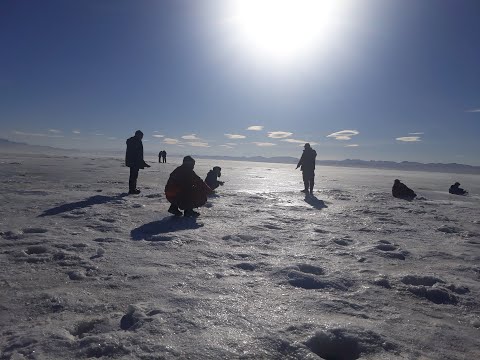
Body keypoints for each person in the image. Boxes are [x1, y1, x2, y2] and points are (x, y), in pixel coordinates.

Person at [125, 130, 150, 195]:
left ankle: (133, 189)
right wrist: (141, 163)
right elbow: (138, 154)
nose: (142, 137)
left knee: (133, 176)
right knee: (134, 176)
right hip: (135, 162)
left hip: (132, 161)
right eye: (141, 136)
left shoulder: (132, 141)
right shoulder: (136, 141)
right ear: (138, 135)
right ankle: (132, 190)